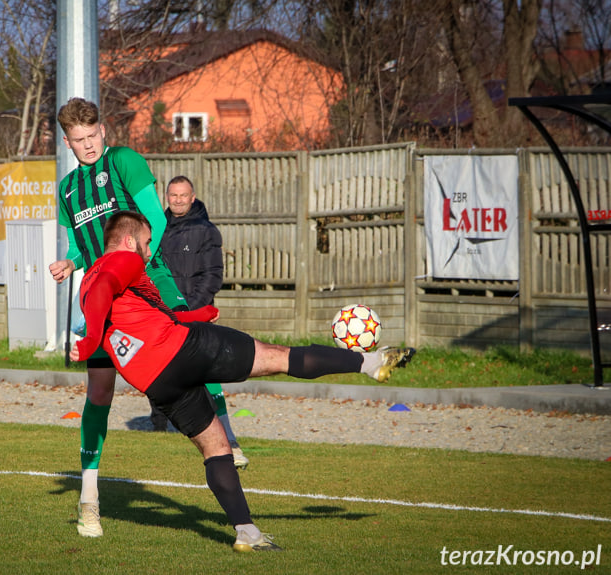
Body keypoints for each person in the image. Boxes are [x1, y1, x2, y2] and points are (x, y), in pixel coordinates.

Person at [69, 211, 415, 552]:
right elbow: (106, 286)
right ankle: (371, 361)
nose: (148, 252)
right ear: (128, 241)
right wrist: (87, 344)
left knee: (216, 449)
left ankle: (246, 532)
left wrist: (194, 315)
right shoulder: (123, 261)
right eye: (145, 244)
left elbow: (135, 314)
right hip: (185, 350)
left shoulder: (86, 282)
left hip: (158, 382)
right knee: (278, 356)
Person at [47, 98, 239, 538]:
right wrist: (70, 263)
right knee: (99, 394)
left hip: (147, 286)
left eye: (94, 135)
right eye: (80, 140)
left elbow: (153, 216)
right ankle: (88, 500)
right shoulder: (68, 190)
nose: (89, 144)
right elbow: (84, 244)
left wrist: (136, 263)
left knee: (196, 344)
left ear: (103, 131)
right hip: (103, 299)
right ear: (67, 142)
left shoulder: (124, 162)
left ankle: (229, 435)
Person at [157, 175, 248, 469]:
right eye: (173, 195)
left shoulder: (206, 231)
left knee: (208, 374)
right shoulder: (158, 229)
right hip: (166, 317)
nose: (178, 200)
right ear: (166, 197)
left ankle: (230, 441)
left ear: (193, 197)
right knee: (164, 372)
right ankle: (165, 426)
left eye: (183, 195)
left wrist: (188, 310)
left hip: (195, 316)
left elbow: (212, 277)